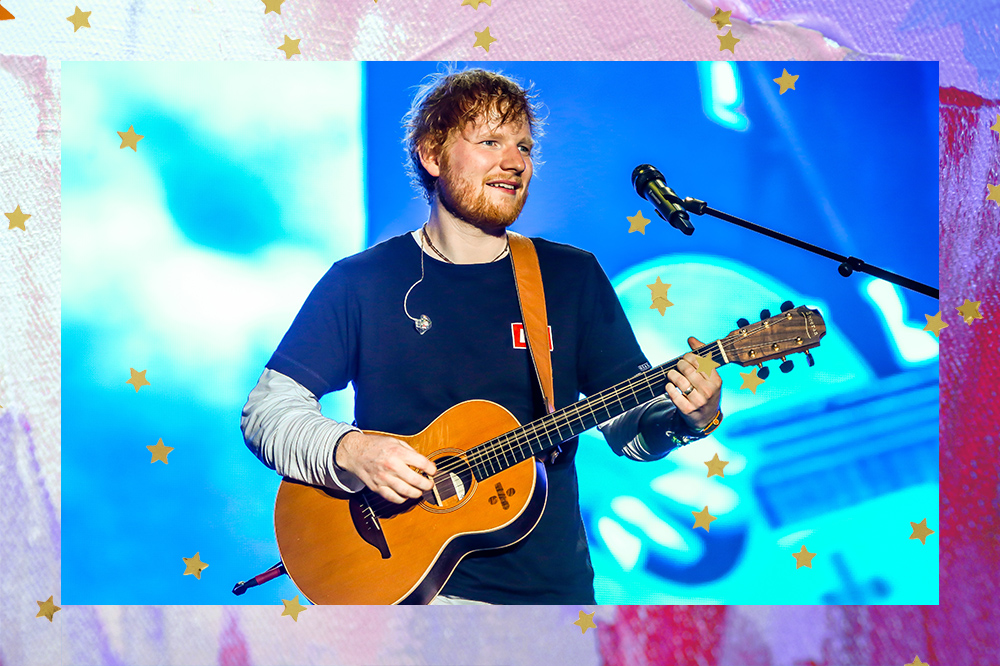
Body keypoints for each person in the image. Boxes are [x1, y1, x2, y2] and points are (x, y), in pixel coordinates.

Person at [240, 67, 723, 605]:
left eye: (523, 146)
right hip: (405, 598)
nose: (515, 162)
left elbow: (628, 432)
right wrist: (349, 449)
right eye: (490, 141)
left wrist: (688, 419)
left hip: (550, 602)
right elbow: (267, 410)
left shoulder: (569, 277)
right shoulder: (363, 281)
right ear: (432, 154)